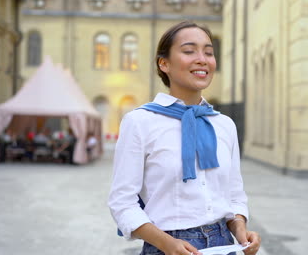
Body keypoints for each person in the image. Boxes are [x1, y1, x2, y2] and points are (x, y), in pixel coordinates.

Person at [108, 21, 261, 255]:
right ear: (164, 63)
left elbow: (234, 194)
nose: (202, 59)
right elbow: (122, 203)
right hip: (167, 247)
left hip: (225, 246)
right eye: (189, 51)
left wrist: (240, 228)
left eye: (209, 52)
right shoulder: (140, 122)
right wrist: (166, 243)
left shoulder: (224, 125)